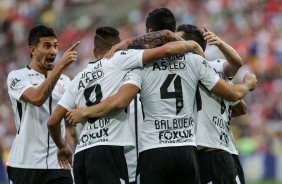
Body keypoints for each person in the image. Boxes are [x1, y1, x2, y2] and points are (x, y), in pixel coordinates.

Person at [65, 8, 257, 184]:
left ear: (149, 32)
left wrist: (85, 112)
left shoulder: (141, 66)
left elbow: (120, 101)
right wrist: (247, 84)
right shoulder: (195, 60)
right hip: (186, 150)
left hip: (153, 150)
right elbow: (234, 96)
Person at [47, 26, 204, 184]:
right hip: (108, 150)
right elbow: (167, 46)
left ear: (94, 52)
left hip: (81, 156)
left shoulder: (77, 79)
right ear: (116, 47)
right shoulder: (120, 58)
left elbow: (53, 122)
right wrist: (192, 45)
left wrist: (61, 147)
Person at [6, 24, 78, 184]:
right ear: (33, 50)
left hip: (58, 164)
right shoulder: (17, 76)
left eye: (55, 46)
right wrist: (60, 66)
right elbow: (37, 98)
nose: (53, 51)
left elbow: (69, 122)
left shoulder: (66, 82)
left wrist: (75, 150)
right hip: (25, 164)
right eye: (47, 46)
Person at [177, 24, 246, 183]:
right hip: (200, 150)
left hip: (218, 149)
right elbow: (241, 108)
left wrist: (220, 43)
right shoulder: (181, 70)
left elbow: (236, 63)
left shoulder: (214, 67)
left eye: (177, 39)